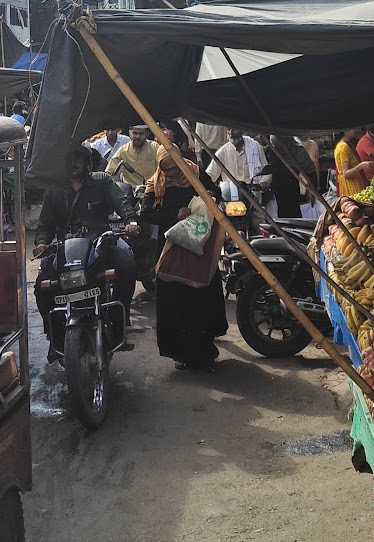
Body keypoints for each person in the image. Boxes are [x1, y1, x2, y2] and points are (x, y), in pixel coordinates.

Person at [32, 148, 139, 359]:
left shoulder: (101, 181)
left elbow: (121, 201)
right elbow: (45, 225)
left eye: (78, 159)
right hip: (66, 246)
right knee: (42, 286)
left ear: (86, 162)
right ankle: (54, 338)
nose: (73, 163)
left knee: (127, 263)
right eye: (69, 159)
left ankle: (120, 323)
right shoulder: (54, 190)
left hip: (100, 242)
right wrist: (42, 244)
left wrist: (130, 221)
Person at [155, 201, 228, 372]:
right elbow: (146, 213)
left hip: (202, 251)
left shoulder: (197, 179)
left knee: (202, 305)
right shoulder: (157, 184)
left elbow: (214, 191)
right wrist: (175, 214)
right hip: (171, 251)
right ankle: (182, 355)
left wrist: (208, 198)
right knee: (176, 310)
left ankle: (204, 355)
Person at [207, 129, 276, 218]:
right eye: (228, 129)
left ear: (241, 130)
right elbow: (210, 175)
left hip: (252, 198)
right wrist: (207, 189)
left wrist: (264, 182)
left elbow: (266, 170)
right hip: (230, 200)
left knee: (260, 222)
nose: (231, 133)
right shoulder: (222, 152)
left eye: (234, 129)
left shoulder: (255, 146)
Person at [105, 123, 159, 190]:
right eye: (135, 133)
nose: (137, 136)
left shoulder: (154, 148)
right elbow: (110, 172)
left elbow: (162, 169)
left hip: (151, 189)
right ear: (130, 133)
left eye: (141, 134)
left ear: (147, 134)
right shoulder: (123, 150)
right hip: (130, 192)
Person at [334, 128, 369, 198]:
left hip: (356, 183)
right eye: (353, 128)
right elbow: (346, 174)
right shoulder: (343, 147)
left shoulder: (347, 144)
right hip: (351, 187)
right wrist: (360, 166)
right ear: (346, 131)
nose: (355, 130)